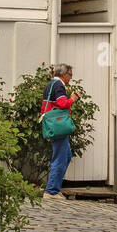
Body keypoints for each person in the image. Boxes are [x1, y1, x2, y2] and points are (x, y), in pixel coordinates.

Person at [42, 64, 80, 200]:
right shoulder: (59, 86)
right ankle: (51, 191)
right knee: (60, 157)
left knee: (66, 155)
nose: (71, 78)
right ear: (64, 74)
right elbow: (63, 104)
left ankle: (54, 188)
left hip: (53, 126)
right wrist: (73, 99)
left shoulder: (50, 84)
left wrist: (47, 129)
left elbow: (45, 107)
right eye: (70, 75)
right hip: (58, 126)